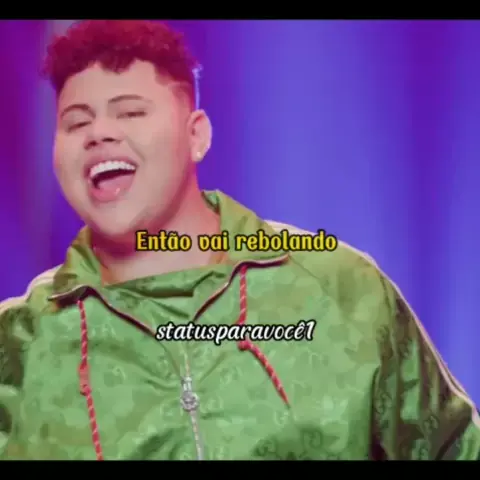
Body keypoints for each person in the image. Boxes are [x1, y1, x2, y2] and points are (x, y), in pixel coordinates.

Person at [0, 19, 478, 461]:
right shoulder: (21, 341)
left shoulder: (339, 287)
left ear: (197, 136)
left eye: (130, 112)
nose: (99, 133)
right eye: (76, 122)